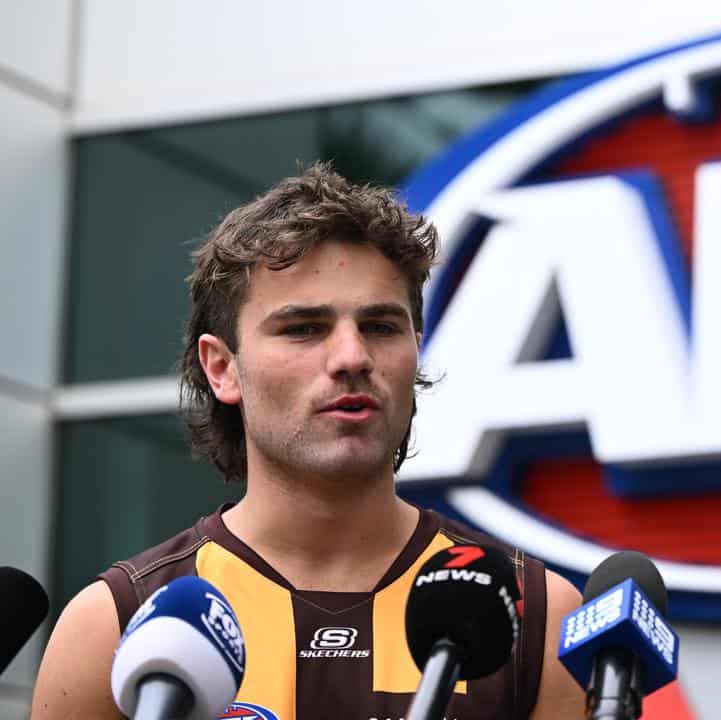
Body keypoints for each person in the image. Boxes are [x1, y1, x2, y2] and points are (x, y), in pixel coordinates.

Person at [32, 164, 586, 719]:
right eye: (303, 328)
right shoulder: (113, 624)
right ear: (221, 368)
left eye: (380, 327)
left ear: (416, 352)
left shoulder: (538, 617)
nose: (352, 357)